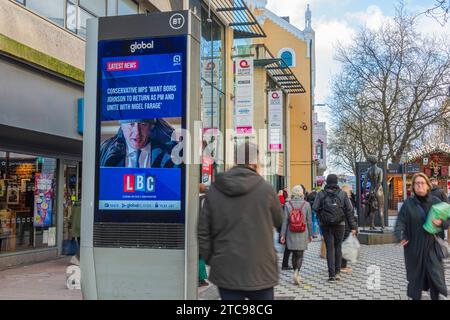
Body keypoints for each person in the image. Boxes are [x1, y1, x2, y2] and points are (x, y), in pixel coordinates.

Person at [198, 141, 283, 300]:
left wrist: (212, 258)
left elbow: (203, 232)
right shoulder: (266, 189)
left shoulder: (216, 189)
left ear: (236, 160)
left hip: (226, 268)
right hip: (261, 270)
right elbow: (279, 221)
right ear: (255, 161)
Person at [395, 173, 449, 300]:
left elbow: (448, 218)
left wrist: (442, 222)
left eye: (422, 183)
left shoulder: (436, 202)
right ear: (413, 187)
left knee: (435, 279)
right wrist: (400, 235)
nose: (420, 185)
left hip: (432, 247)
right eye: (417, 183)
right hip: (414, 248)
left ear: (427, 185)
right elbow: (400, 222)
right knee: (415, 281)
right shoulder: (408, 204)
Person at [313, 174, 357, 282]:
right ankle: (337, 273)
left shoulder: (321, 194)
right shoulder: (342, 194)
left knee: (329, 248)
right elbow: (349, 209)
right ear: (337, 182)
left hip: (326, 225)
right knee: (338, 247)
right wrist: (353, 226)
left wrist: (321, 218)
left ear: (326, 182)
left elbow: (315, 207)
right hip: (340, 224)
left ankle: (331, 275)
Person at [99, 118, 178, 168]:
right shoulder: (104, 150)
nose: (137, 133)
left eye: (143, 125)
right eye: (131, 124)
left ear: (151, 126)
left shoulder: (172, 153)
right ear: (122, 126)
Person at [280, 185, 313, 285]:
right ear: (302, 193)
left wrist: (282, 235)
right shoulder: (306, 204)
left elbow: (285, 221)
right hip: (303, 232)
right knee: (300, 254)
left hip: (291, 232)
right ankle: (296, 272)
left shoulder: (287, 204)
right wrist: (310, 234)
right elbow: (309, 221)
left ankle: (295, 273)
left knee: (294, 254)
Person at [340, 185, 356, 273]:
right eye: (349, 191)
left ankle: (339, 265)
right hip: (346, 226)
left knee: (340, 246)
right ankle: (343, 266)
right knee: (344, 246)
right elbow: (350, 216)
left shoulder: (339, 199)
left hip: (340, 225)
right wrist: (353, 227)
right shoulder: (347, 201)